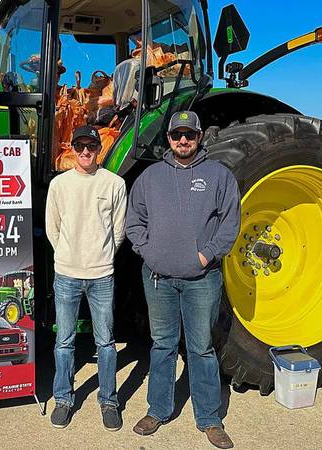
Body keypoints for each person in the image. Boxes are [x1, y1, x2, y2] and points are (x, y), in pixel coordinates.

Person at [125, 111, 240, 449]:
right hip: (158, 279)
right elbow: (135, 222)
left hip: (202, 279)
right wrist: (150, 253)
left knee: (201, 348)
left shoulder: (218, 175)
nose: (183, 141)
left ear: (200, 137)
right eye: (177, 135)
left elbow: (230, 223)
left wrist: (205, 256)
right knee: (162, 345)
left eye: (190, 134)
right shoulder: (150, 177)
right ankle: (158, 410)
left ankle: (209, 418)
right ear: (169, 139)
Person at [45, 125, 127, 431]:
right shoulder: (60, 184)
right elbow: (53, 229)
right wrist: (69, 254)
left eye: (90, 146)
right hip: (66, 273)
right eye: (79, 146)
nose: (85, 151)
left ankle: (109, 400)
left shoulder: (114, 184)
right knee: (63, 341)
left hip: (101, 274)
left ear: (98, 148)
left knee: (106, 342)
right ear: (72, 148)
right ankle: (63, 399)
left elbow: (118, 231)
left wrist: (101, 256)